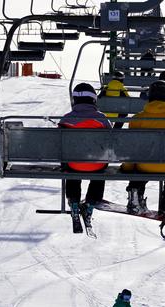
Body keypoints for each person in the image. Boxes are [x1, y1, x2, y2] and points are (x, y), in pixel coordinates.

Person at [121, 80, 165, 216]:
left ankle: (135, 193)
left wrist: (127, 168)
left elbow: (131, 147)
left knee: (138, 161)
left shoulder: (137, 119)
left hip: (144, 167)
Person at [58, 82, 111, 228]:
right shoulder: (102, 119)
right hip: (97, 165)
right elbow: (112, 140)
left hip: (74, 165)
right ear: (94, 100)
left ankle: (74, 201)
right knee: (99, 174)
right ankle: (91, 202)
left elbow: (58, 144)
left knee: (72, 170)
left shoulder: (66, 119)